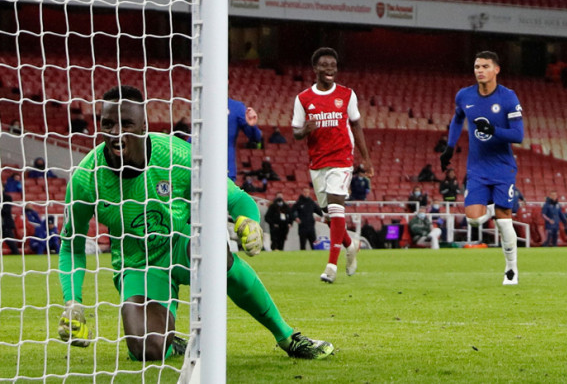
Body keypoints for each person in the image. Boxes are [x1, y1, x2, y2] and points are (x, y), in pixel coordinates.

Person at [58, 85, 333, 360]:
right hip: (139, 265)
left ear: (144, 125)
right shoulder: (86, 179)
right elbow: (71, 247)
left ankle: (286, 336)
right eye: (108, 124)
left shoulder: (177, 156)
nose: (116, 133)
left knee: (215, 249)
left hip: (182, 245)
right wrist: (73, 303)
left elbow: (238, 200)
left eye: (125, 124)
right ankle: (168, 339)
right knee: (147, 351)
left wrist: (248, 222)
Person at [439, 51, 524, 285]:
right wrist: (449, 147)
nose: (479, 70)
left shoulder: (508, 97)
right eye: (477, 66)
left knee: (505, 220)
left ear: (496, 70)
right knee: (474, 219)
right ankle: (494, 209)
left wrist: (493, 131)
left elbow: (519, 135)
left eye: (485, 66)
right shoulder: (464, 95)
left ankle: (511, 270)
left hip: (502, 167)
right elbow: (457, 119)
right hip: (476, 168)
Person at [292, 47, 373, 282]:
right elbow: (296, 131)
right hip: (317, 162)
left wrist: (365, 158)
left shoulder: (347, 94)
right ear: (315, 68)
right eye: (325, 65)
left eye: (333, 66)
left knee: (337, 205)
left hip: (342, 158)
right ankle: (351, 245)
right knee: (329, 217)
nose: (330, 69)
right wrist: (304, 130)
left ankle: (331, 266)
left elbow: (356, 125)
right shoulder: (304, 98)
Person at [228, 98, 262, 180]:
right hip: (197, 168)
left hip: (226, 170)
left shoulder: (235, 107)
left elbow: (256, 137)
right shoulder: (199, 103)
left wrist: (252, 125)